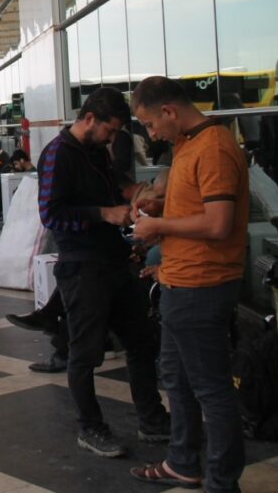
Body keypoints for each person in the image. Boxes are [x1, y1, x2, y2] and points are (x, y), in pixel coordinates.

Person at [130, 76, 250, 492]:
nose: (151, 133)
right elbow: (200, 204)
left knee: (211, 390)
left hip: (203, 284)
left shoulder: (213, 147)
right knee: (177, 380)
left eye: (148, 124)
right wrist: (160, 205)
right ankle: (183, 462)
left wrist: (158, 224)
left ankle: (222, 480)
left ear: (169, 111)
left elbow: (219, 224)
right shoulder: (188, 144)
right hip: (180, 281)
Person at [37, 87, 169, 458]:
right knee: (85, 352)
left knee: (141, 342)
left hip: (114, 259)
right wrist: (104, 213)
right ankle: (90, 428)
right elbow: (50, 214)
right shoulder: (57, 154)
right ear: (89, 119)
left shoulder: (96, 150)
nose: (112, 139)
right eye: (109, 131)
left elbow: (117, 187)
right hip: (82, 266)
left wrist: (139, 196)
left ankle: (152, 420)